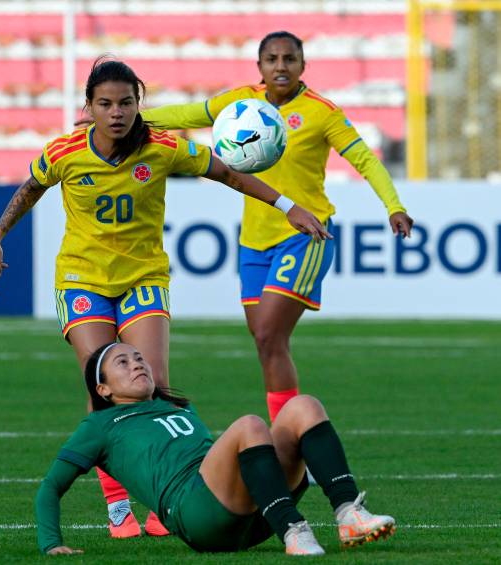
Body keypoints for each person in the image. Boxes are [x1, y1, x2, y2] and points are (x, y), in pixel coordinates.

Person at [0, 57, 329, 539]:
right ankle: (117, 506)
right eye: (105, 104)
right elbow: (30, 188)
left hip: (143, 276)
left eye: (126, 102)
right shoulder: (64, 152)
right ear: (89, 107)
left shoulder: (164, 147)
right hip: (82, 281)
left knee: (155, 384)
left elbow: (227, 174)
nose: (117, 112)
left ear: (137, 104)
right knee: (104, 388)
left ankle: (167, 491)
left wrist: (287, 206)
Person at [141, 31, 415, 424]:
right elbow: (187, 116)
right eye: (272, 59)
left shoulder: (323, 112)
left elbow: (365, 161)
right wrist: (131, 116)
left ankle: (293, 432)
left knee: (269, 334)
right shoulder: (240, 102)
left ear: (303, 66)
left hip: (306, 235)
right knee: (268, 343)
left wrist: (394, 206)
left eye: (289, 59)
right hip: (254, 241)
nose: (281, 66)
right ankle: (289, 435)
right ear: (260, 67)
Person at [36, 342, 396, 556]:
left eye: (139, 358)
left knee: (305, 406)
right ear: (103, 391)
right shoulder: (100, 425)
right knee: (250, 425)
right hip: (196, 514)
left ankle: (349, 515)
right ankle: (294, 531)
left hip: (249, 514)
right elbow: (51, 486)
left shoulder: (176, 406)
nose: (137, 364)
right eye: (123, 362)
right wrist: (51, 544)